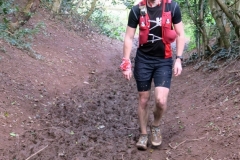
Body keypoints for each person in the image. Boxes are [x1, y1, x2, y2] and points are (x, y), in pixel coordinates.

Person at [120, 0, 185, 150]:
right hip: (144, 60)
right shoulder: (137, 9)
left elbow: (180, 34)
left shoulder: (172, 6)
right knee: (143, 100)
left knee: (161, 101)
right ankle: (143, 134)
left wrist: (179, 59)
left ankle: (155, 126)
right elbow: (129, 37)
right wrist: (126, 63)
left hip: (164, 60)